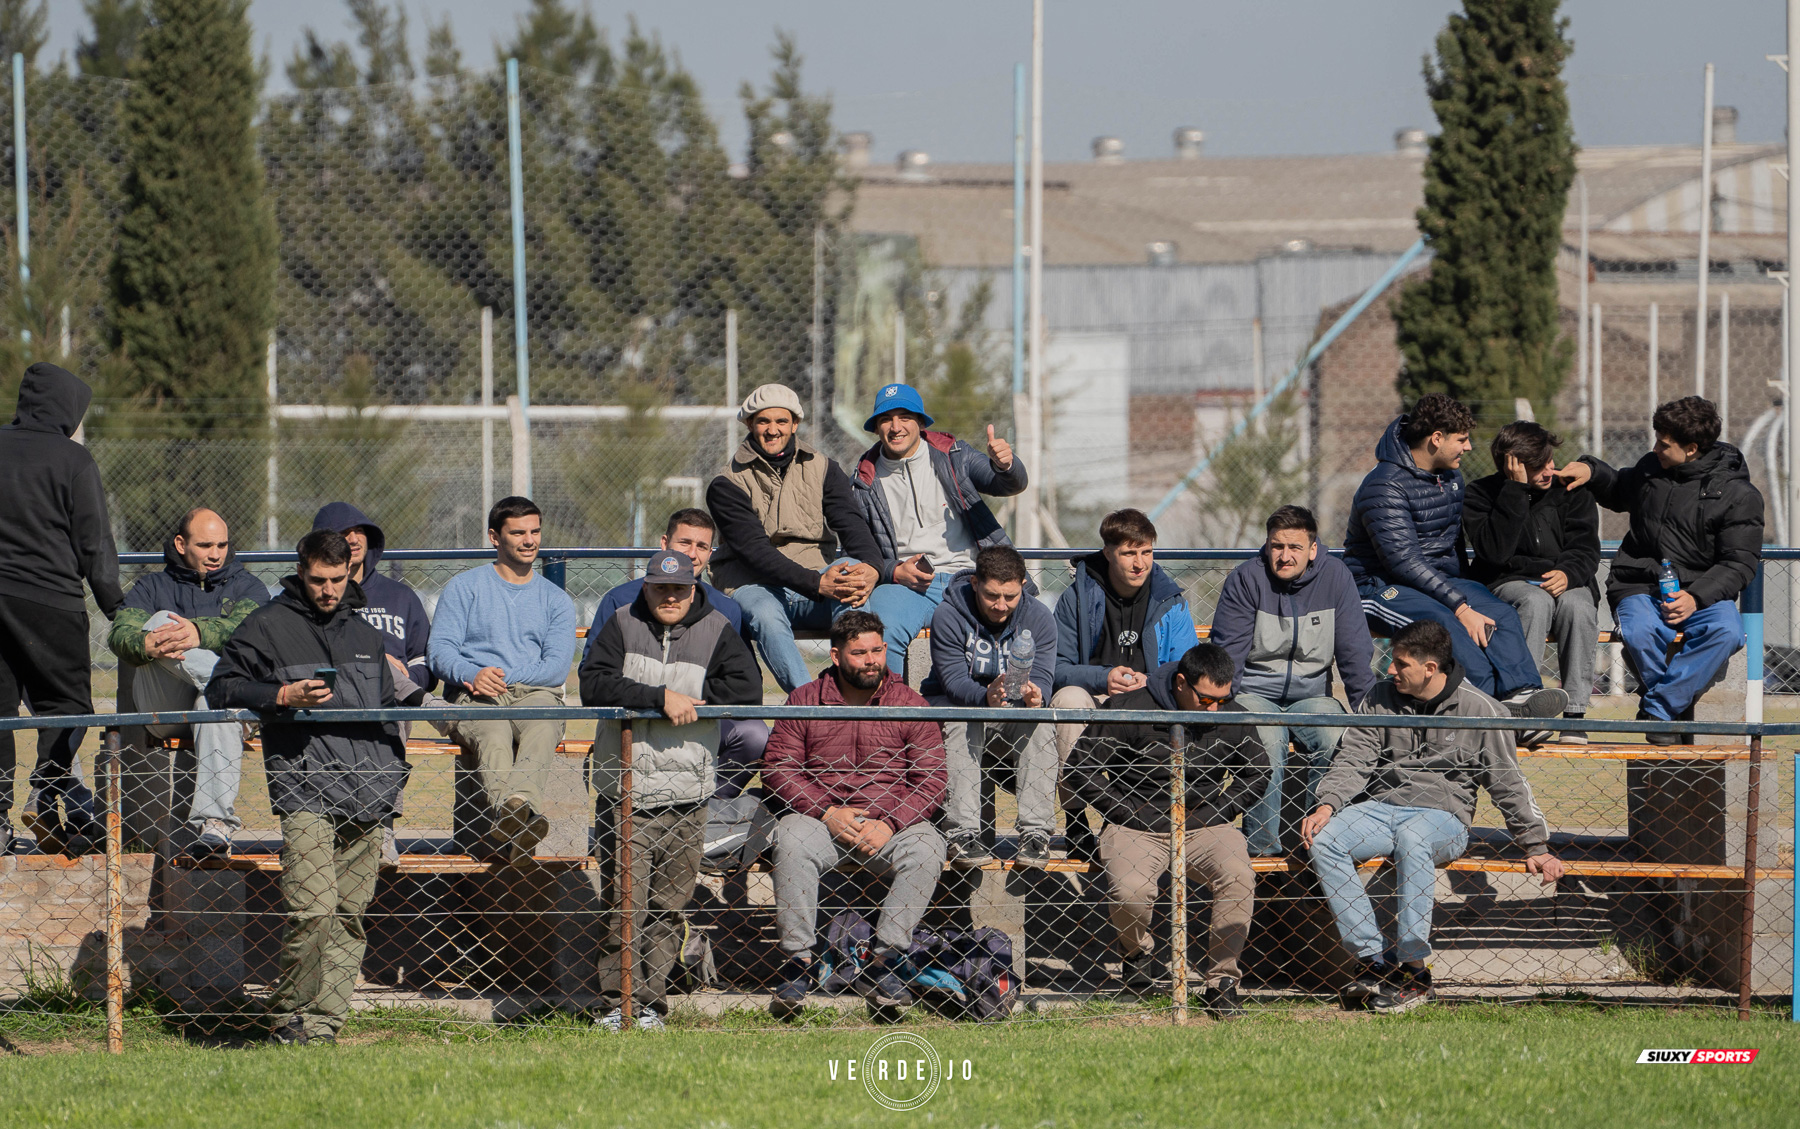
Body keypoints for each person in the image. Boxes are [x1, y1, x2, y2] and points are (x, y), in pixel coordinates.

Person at [207, 529, 417, 1045]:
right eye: (318, 580)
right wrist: (281, 693)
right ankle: (287, 1015)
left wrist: (392, 779)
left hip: (370, 790)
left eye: (337, 579)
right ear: (301, 572)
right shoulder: (268, 625)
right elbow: (222, 687)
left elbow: (388, 712)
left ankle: (323, 1024)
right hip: (305, 786)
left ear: (351, 572)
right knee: (313, 910)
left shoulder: (367, 634)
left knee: (349, 917)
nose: (328, 590)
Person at [1300, 620, 1564, 1014]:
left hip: (1443, 817)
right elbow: (1353, 757)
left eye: (1401, 663)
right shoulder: (1379, 697)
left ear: (1431, 668)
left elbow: (1508, 782)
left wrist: (1535, 845)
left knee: (1413, 838)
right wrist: (1327, 804)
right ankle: (1373, 961)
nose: (1391, 669)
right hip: (1381, 807)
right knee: (1325, 839)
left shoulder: (1480, 711)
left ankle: (1414, 972)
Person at [579, 550, 763, 1031]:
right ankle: (613, 1005)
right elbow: (593, 686)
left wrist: (698, 704)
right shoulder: (620, 622)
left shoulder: (718, 627)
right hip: (627, 791)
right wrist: (659, 699)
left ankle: (650, 1006)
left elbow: (748, 688)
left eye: (678, 588)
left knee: (667, 909)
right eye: (660, 588)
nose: (670, 597)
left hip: (690, 791)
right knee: (624, 906)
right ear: (646, 587)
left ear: (693, 586)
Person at [762, 610, 947, 1021]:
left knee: (929, 845)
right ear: (835, 654)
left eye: (877, 650)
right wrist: (825, 811)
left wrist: (892, 822)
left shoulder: (910, 704)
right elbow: (778, 767)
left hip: (890, 825)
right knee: (790, 837)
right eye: (859, 652)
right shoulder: (805, 699)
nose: (871, 660)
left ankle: (886, 963)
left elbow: (932, 779)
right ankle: (798, 961)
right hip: (823, 822)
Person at [1063, 643, 1266, 1018]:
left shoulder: (1231, 713)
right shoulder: (1128, 708)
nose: (1216, 709)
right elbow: (1081, 767)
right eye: (1206, 699)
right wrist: (1125, 812)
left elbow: (1257, 772)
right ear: (1180, 683)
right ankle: (1138, 954)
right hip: (1136, 823)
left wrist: (1221, 810)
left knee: (1238, 876)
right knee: (1130, 890)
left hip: (1205, 822)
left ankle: (1222, 982)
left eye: (1223, 698)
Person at [1344, 393, 1567, 730]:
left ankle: (1522, 700)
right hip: (1379, 587)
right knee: (1447, 627)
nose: (1469, 447)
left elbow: (1450, 550)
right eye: (1462, 439)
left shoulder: (1449, 477)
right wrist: (1461, 608)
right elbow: (1403, 562)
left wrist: (1471, 596)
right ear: (1437, 439)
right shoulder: (1383, 486)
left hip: (1435, 583)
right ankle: (1493, 720)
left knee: (1500, 614)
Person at [1556, 396, 1763, 744]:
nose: (1655, 449)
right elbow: (1621, 488)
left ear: (1693, 448)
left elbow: (1739, 563)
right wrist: (1592, 471)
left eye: (1664, 444)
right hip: (1638, 583)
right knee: (1639, 633)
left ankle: (1658, 709)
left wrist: (1696, 597)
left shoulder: (1739, 495)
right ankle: (1670, 713)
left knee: (1727, 633)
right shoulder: (1652, 467)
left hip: (1704, 591)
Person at [0, 363, 124, 857]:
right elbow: (94, 545)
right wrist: (119, 608)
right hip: (49, 599)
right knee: (67, 704)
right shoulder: (73, 460)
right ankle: (49, 790)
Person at [1209, 505, 1375, 856]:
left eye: (1294, 547)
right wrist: (1220, 710)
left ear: (1313, 549)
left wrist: (1371, 717)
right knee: (1266, 740)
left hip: (1312, 693)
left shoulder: (1336, 578)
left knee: (1336, 734)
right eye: (1277, 546)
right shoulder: (1246, 579)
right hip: (1253, 692)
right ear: (1267, 546)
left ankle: (1320, 843)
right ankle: (1262, 853)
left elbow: (1355, 653)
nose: (1284, 556)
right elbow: (1229, 656)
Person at [106, 507, 270, 857]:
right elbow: (121, 634)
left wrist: (199, 632)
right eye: (205, 545)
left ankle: (215, 827)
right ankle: (243, 699)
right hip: (164, 705)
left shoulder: (248, 587)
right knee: (162, 619)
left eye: (222, 545)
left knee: (213, 704)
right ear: (181, 544)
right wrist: (145, 643)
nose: (216, 554)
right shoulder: (152, 585)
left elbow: (250, 633)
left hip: (214, 708)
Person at [706, 383, 884, 693]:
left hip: (817, 578)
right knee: (764, 614)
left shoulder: (824, 468)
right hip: (754, 582)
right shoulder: (726, 482)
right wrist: (817, 584)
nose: (772, 430)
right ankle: (810, 707)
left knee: (853, 577)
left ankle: (858, 696)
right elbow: (754, 551)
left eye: (781, 421)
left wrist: (871, 565)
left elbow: (852, 524)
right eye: (763, 421)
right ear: (749, 424)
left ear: (795, 424)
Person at [428, 496, 577, 862]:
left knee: (543, 724)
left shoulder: (555, 600)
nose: (530, 541)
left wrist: (504, 676)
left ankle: (515, 812)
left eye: (535, 531)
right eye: (518, 533)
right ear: (495, 537)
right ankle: (522, 821)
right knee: (492, 733)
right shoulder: (464, 588)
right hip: (476, 696)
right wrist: (471, 674)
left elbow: (557, 666)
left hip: (535, 694)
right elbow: (439, 651)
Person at [582, 508, 766, 797]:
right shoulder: (620, 603)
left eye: (701, 546)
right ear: (664, 543)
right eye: (685, 543)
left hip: (698, 719)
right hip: (634, 719)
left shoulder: (726, 609)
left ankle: (711, 803)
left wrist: (685, 699)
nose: (693, 554)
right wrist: (661, 698)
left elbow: (745, 685)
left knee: (755, 733)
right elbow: (594, 679)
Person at [850, 382, 1029, 672]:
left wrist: (1006, 465)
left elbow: (1007, 484)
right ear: (876, 427)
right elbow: (858, 549)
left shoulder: (954, 455)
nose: (896, 427)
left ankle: (1018, 708)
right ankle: (890, 712)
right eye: (886, 419)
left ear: (920, 422)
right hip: (908, 586)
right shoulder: (863, 481)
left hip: (970, 579)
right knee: (880, 633)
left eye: (905, 417)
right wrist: (893, 570)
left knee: (1032, 625)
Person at [1050, 508, 1196, 860]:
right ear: (1108, 553)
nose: (1139, 563)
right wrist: (1104, 677)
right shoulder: (1078, 597)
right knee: (1068, 700)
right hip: (1095, 697)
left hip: (1149, 701)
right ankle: (1076, 820)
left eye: (1146, 552)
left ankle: (1117, 819)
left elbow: (1188, 666)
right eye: (1129, 553)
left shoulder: (1170, 600)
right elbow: (1056, 667)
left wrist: (1155, 681)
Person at [919, 545, 1058, 869]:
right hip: (958, 706)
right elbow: (952, 681)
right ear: (975, 584)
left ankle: (1036, 835)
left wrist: (1038, 695)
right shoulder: (949, 614)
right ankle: (963, 834)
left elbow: (1044, 677)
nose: (1000, 605)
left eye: (1009, 597)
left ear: (1022, 585)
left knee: (1038, 722)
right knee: (962, 719)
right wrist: (984, 697)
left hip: (1010, 710)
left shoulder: (1039, 617)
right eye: (992, 595)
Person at [313, 502, 437, 863]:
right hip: (333, 695)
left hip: (392, 698)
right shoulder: (315, 598)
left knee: (392, 704)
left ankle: (381, 823)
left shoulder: (400, 597)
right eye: (342, 533)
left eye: (359, 531)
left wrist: (403, 676)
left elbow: (425, 661)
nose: (353, 539)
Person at [1462, 423, 1602, 742]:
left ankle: (1576, 714)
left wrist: (1568, 573)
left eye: (1550, 460)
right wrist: (1515, 491)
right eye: (1539, 466)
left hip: (1567, 578)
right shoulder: (1481, 494)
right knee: (1534, 601)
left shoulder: (1572, 490)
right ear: (1514, 466)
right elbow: (1494, 553)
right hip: (1509, 581)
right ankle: (1525, 706)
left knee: (1578, 607)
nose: (1550, 469)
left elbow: (1585, 546)